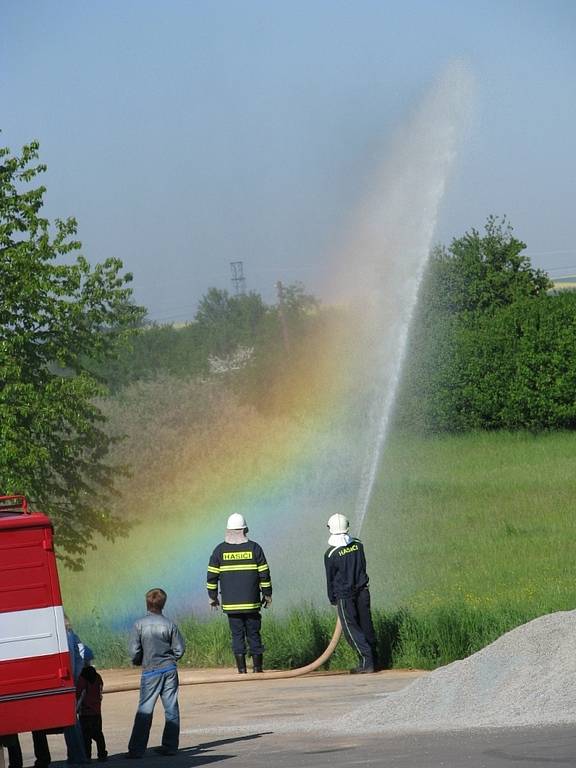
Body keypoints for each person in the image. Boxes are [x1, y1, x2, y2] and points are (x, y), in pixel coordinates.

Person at [206, 513, 272, 674]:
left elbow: (211, 576)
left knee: (237, 636)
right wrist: (267, 594)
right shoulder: (254, 548)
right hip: (252, 604)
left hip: (231, 606)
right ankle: (258, 669)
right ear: (245, 529)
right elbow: (264, 574)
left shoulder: (219, 550)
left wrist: (213, 597)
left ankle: (241, 671)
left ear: (228, 530)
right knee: (254, 634)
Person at [127, 588, 186, 758]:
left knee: (145, 709)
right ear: (163, 604)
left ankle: (137, 750)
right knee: (171, 708)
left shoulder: (139, 624)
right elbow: (179, 649)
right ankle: (170, 746)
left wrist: (139, 660)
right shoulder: (169, 624)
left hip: (150, 671)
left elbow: (134, 651)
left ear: (147, 603)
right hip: (169, 669)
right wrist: (171, 658)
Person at [324, 513, 377, 673]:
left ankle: (367, 661)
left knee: (352, 630)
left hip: (345, 597)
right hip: (363, 591)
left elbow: (330, 578)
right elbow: (363, 566)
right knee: (366, 625)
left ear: (331, 529)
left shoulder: (331, 554)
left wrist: (332, 598)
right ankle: (374, 659)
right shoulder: (358, 545)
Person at [76, 647, 108, 762]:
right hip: (96, 711)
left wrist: (76, 709)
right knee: (98, 734)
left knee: (86, 737)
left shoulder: (81, 678)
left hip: (85, 712)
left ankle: (87, 756)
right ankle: (102, 754)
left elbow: (81, 695)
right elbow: (100, 691)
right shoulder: (98, 676)